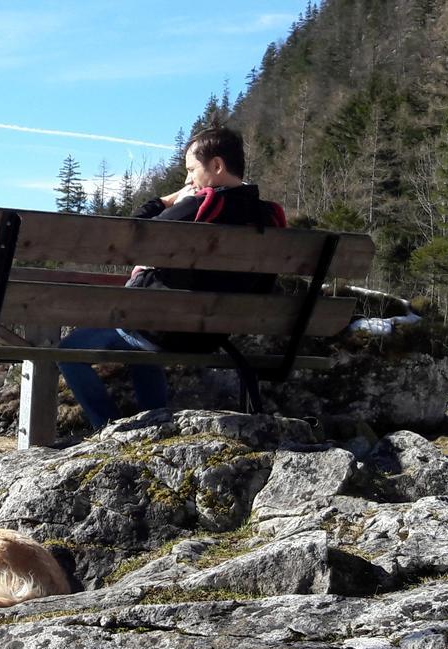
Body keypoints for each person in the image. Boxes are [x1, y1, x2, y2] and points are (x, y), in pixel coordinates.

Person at [57, 125, 286, 431]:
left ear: (217, 166)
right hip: (213, 334)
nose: (188, 179)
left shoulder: (198, 205)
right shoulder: (267, 216)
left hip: (164, 327)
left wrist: (168, 201)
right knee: (145, 344)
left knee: (69, 350)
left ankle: (107, 430)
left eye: (192, 170)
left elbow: (130, 235)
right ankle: (155, 424)